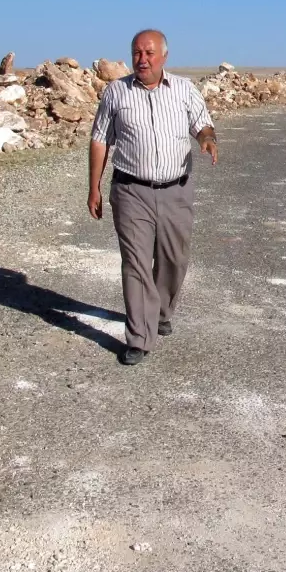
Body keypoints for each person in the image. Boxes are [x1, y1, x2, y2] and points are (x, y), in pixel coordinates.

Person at [88, 29, 218, 366]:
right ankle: (139, 337)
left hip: (176, 189)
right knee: (135, 263)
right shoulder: (117, 93)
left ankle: (160, 312)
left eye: (148, 53)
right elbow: (100, 139)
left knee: (174, 259)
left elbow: (203, 125)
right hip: (131, 191)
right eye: (136, 53)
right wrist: (94, 187)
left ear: (164, 56)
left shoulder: (184, 90)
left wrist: (206, 139)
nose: (142, 59)